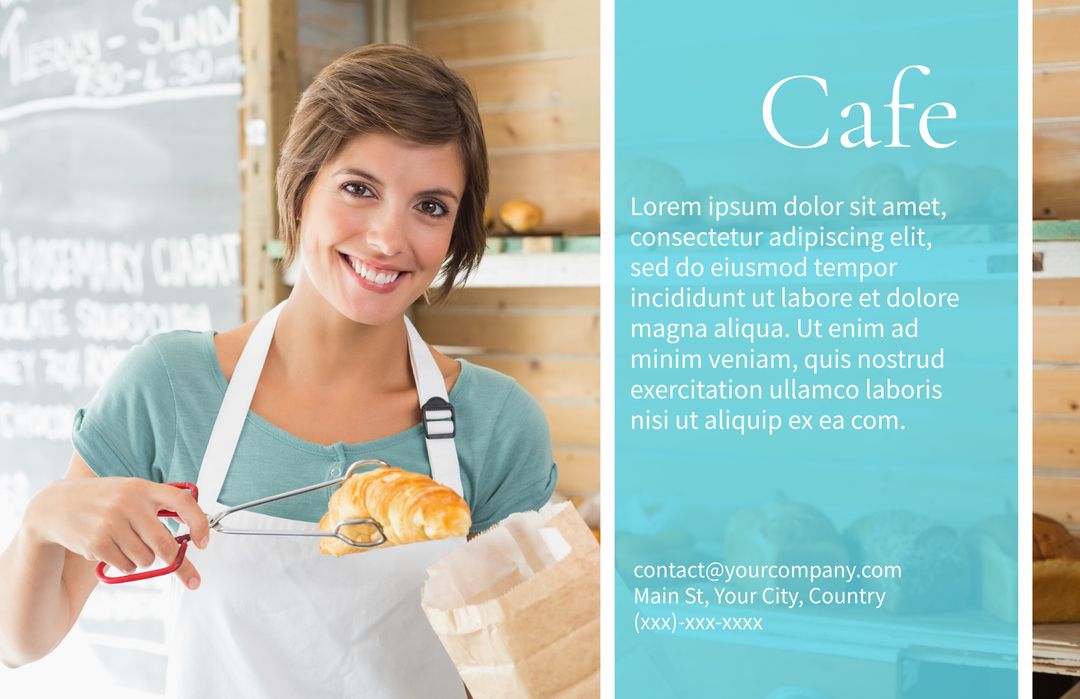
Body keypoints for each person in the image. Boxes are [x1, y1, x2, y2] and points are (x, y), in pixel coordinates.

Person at [0, 44, 558, 698]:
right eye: (358, 188)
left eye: (430, 206)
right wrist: (43, 519)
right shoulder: (170, 386)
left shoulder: (497, 425)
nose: (387, 237)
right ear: (300, 190)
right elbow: (21, 640)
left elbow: (524, 678)